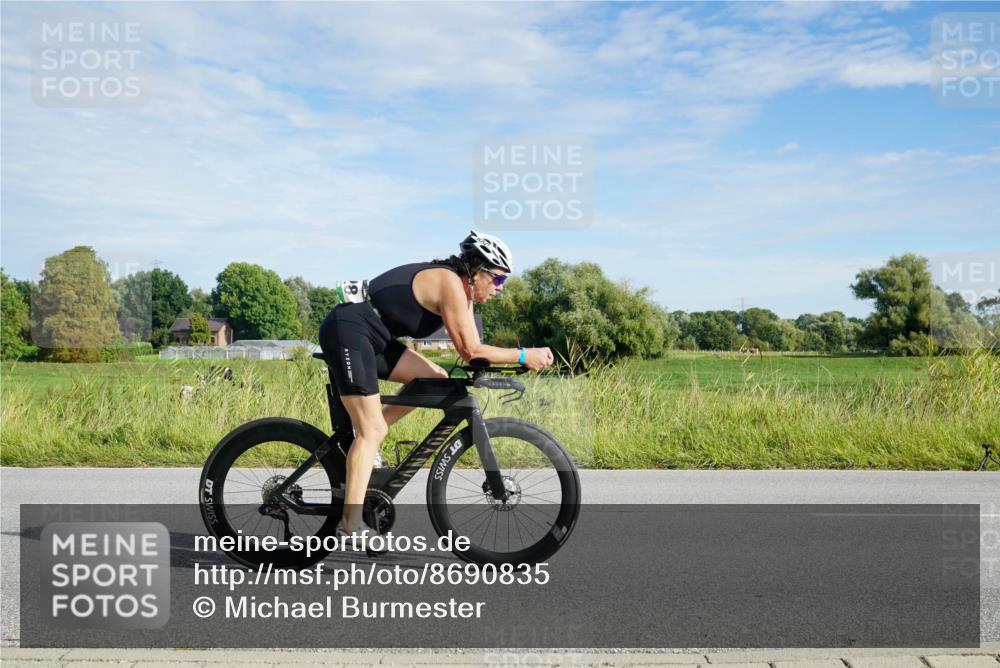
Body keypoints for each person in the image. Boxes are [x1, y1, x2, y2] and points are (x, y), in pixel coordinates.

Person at [318, 231, 554, 542]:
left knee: (434, 382)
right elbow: (472, 352)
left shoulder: (464, 294)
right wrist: (525, 354)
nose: (499, 289)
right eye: (497, 280)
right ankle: (349, 523)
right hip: (349, 329)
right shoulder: (450, 284)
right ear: (477, 271)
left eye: (503, 283)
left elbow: (473, 354)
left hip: (373, 335)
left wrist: (512, 364)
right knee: (371, 430)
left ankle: (363, 447)